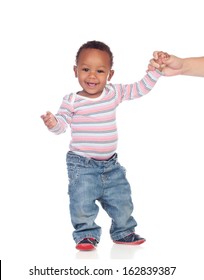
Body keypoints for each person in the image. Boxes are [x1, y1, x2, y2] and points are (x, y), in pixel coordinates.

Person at [41, 40, 162, 251]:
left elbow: (139, 89)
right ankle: (86, 235)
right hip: (82, 165)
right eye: (86, 69)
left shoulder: (114, 93)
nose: (92, 76)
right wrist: (53, 123)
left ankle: (124, 232)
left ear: (110, 75)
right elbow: (61, 126)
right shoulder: (71, 100)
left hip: (111, 166)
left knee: (122, 200)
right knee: (82, 203)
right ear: (75, 70)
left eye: (99, 71)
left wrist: (154, 72)